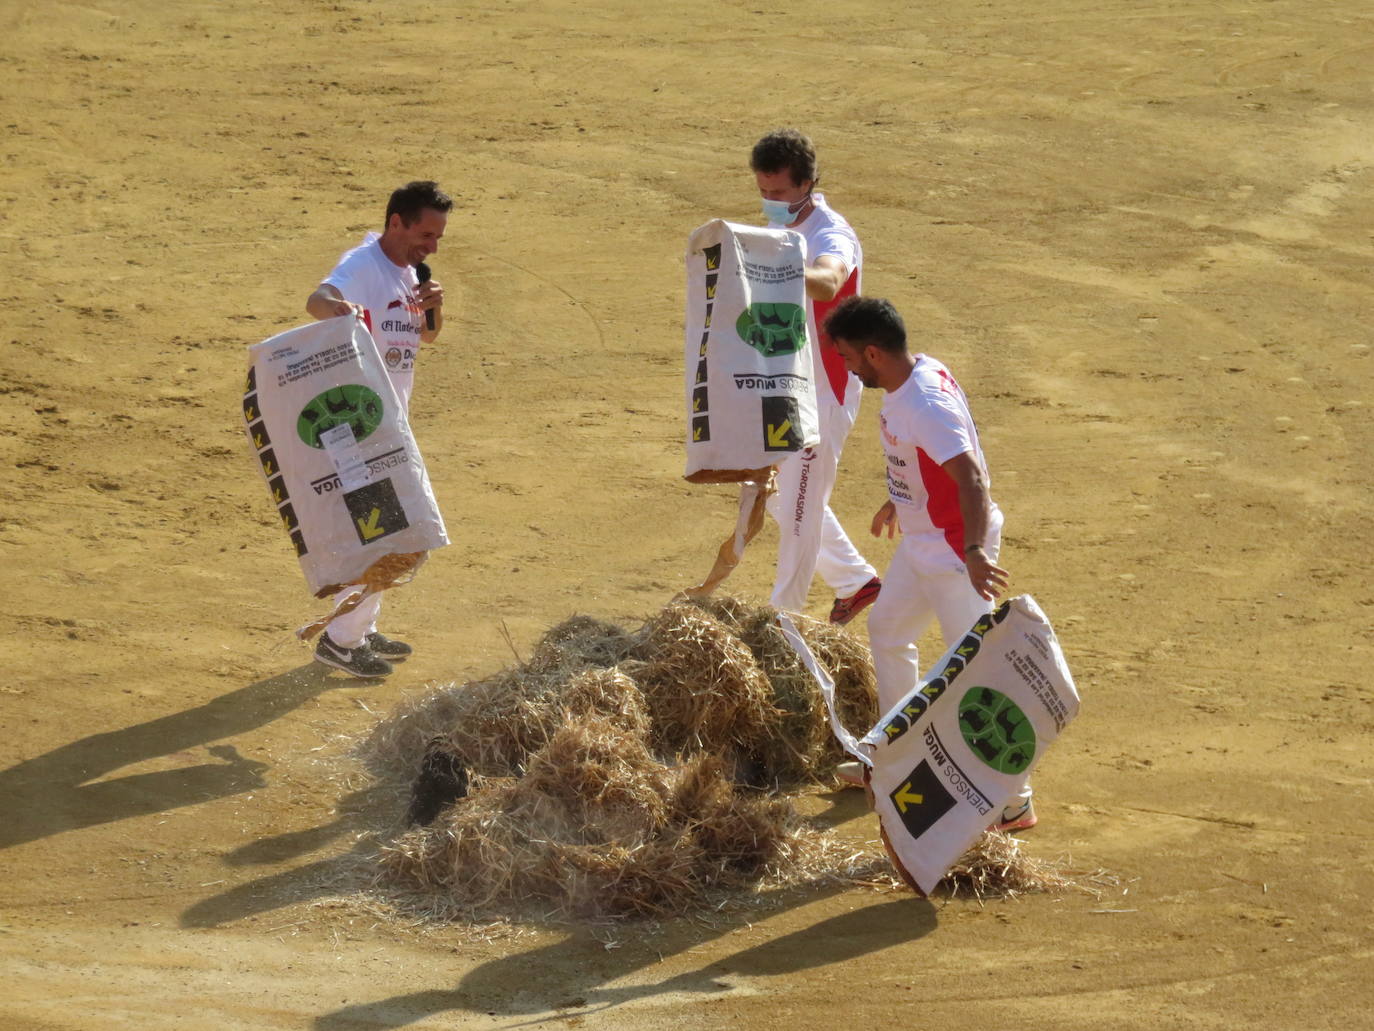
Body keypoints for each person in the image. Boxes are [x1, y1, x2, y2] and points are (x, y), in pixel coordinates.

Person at [823, 296, 1035, 832]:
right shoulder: (919, 375)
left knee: (977, 667)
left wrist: (975, 553)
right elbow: (934, 460)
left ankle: (1014, 799)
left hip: (954, 553)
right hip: (925, 543)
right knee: (888, 630)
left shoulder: (925, 405)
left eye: (848, 357)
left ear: (873, 352)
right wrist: (902, 496)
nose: (846, 367)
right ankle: (896, 760)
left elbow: (972, 478)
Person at [303, 180, 451, 678]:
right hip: (362, 430)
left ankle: (358, 630)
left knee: (385, 532)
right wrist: (338, 310)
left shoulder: (411, 273)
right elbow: (318, 298)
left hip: (388, 425)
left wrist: (434, 305)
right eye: (425, 234)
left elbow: (425, 336)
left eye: (437, 238)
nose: (432, 247)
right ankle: (341, 641)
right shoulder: (365, 265)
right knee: (389, 533)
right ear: (396, 223)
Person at [750, 129, 881, 625]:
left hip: (826, 390)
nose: (770, 202)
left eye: (779, 193)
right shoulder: (783, 229)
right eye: (763, 192)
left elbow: (829, 278)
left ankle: (783, 620)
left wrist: (774, 266)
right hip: (789, 384)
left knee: (799, 508)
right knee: (787, 500)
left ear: (807, 183)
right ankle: (856, 583)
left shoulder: (831, 232)